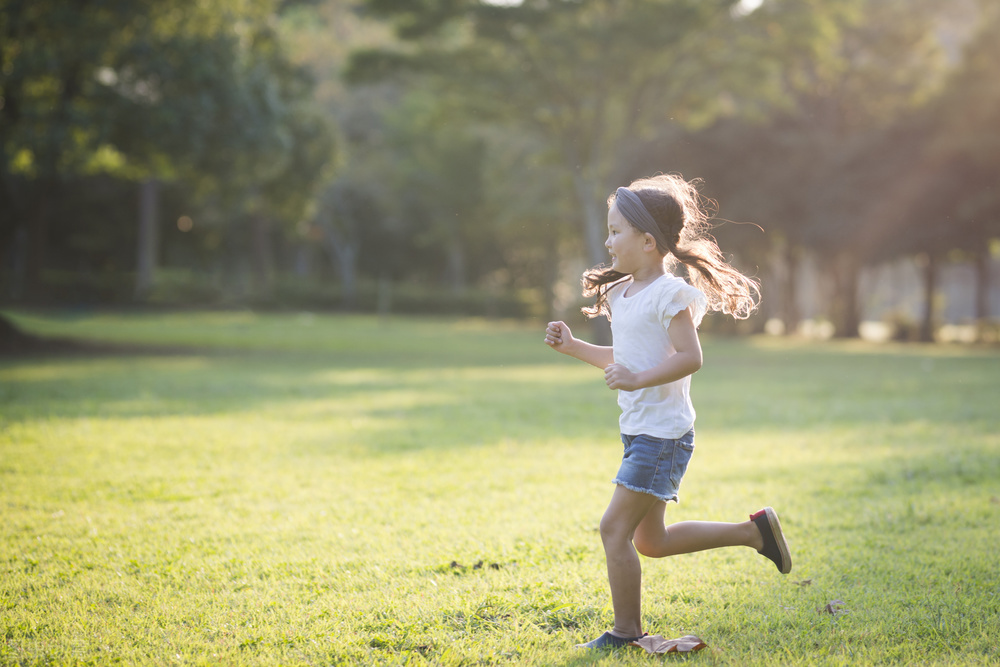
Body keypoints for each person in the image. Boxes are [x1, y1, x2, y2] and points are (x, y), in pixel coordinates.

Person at [544, 173, 791, 650]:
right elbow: (625, 357)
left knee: (614, 529)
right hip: (639, 431)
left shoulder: (669, 294)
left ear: (648, 241)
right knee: (649, 542)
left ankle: (625, 634)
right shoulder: (622, 293)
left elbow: (689, 357)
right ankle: (754, 532)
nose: (608, 241)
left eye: (616, 232)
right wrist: (575, 347)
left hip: (663, 435)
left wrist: (636, 380)